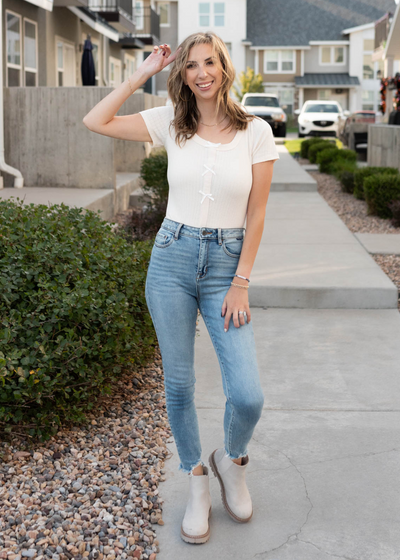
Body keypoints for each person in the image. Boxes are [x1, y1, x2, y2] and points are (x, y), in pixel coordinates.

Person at [83, 31, 279, 545]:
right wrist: (141, 74)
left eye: (209, 62)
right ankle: (195, 477)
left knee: (248, 394)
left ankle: (231, 462)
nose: (201, 73)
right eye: (191, 65)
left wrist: (241, 281)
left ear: (224, 67)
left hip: (225, 266)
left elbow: (257, 212)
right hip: (170, 259)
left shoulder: (256, 131)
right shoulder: (170, 122)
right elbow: (95, 120)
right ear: (183, 73)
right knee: (179, 384)